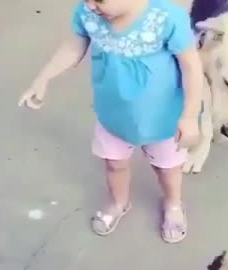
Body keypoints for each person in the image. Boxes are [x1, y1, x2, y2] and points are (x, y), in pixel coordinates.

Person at [18, 0, 203, 244]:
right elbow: (75, 44)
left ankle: (173, 204)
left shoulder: (167, 18)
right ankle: (118, 202)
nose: (91, 5)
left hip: (162, 119)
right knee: (115, 165)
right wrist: (43, 78)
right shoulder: (89, 13)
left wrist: (189, 117)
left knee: (167, 168)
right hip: (113, 115)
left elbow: (191, 66)